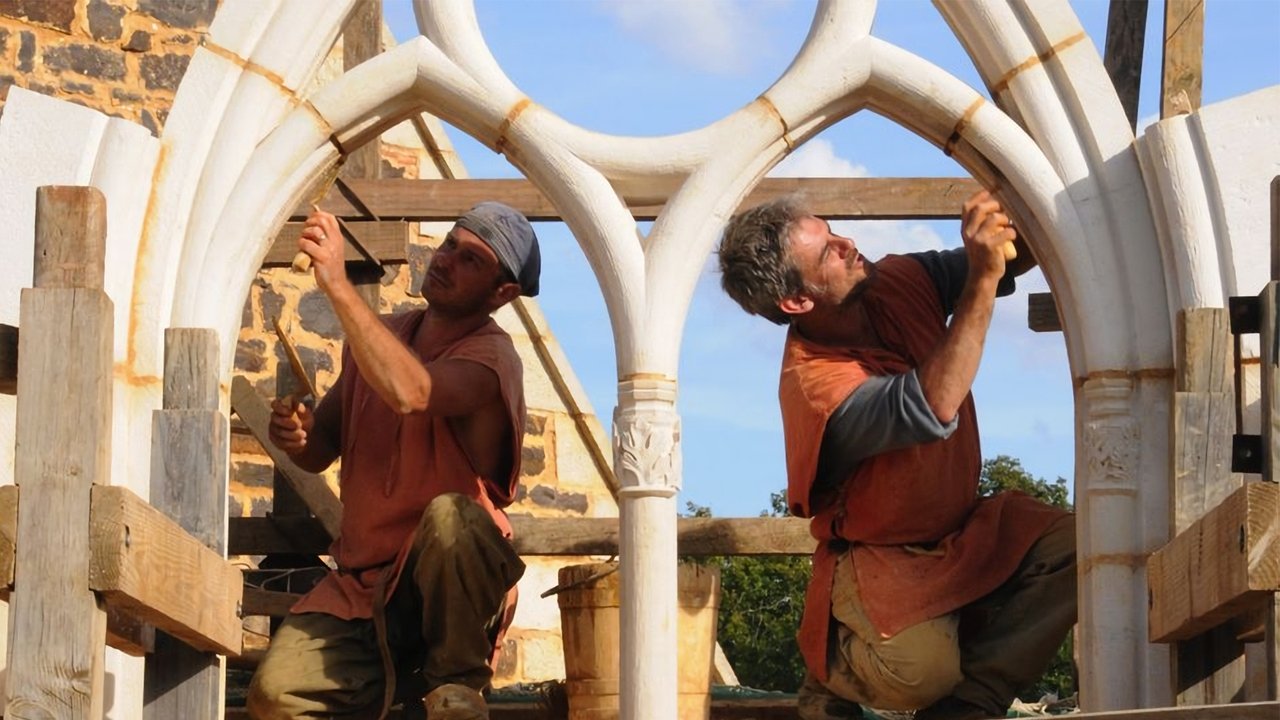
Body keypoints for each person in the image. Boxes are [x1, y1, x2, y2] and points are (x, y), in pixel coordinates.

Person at [717, 190, 1076, 720]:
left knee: (1078, 543)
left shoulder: (902, 279)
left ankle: (971, 706)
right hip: (883, 557)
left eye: (834, 232)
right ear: (796, 301)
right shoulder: (819, 388)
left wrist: (1014, 213)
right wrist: (982, 278)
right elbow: (934, 404)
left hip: (963, 531)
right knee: (919, 674)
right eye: (829, 251)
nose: (848, 243)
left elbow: (1009, 254)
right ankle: (836, 669)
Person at [247, 201, 541, 720]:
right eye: (450, 244)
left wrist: (336, 284)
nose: (445, 260)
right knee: (275, 698)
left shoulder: (493, 358)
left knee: (453, 517)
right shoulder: (380, 339)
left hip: (448, 596)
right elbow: (320, 448)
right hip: (362, 590)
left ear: (503, 294)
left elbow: (413, 390)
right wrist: (297, 435)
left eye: (470, 260)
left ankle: (456, 691)